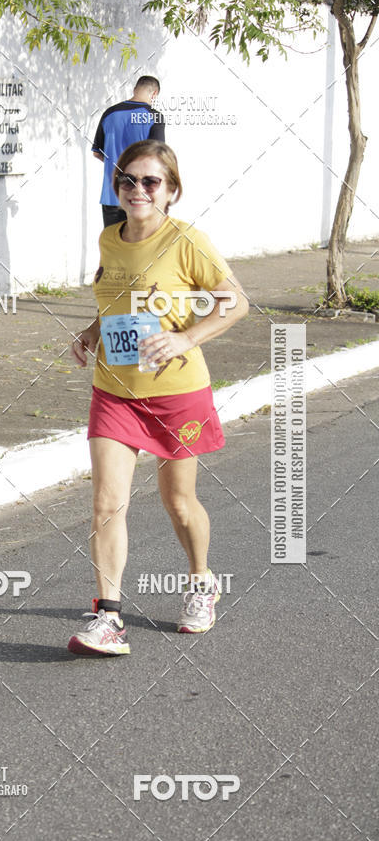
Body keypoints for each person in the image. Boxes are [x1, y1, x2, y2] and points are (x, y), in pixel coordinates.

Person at [68, 140, 249, 656]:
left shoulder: (187, 241)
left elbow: (236, 301)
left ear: (171, 191)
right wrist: (92, 332)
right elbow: (116, 302)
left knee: (178, 502)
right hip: (115, 390)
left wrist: (185, 338)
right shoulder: (110, 238)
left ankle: (201, 582)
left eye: (151, 182)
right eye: (128, 180)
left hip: (176, 394)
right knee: (107, 503)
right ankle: (109, 618)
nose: (138, 190)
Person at [92, 76, 165, 228]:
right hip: (140, 198)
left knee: (113, 243)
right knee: (141, 243)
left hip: (111, 196)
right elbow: (157, 159)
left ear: (134, 90)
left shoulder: (109, 113)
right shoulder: (155, 117)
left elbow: (97, 153)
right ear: (154, 94)